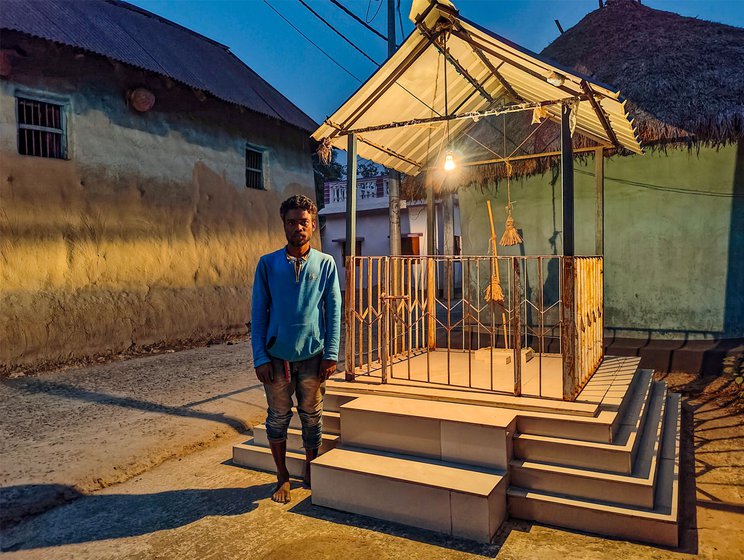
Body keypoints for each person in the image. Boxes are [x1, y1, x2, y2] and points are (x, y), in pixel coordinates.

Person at [251, 194, 341, 504]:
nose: (298, 227)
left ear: (313, 225)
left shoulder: (325, 263)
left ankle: (310, 467)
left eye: (303, 222)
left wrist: (331, 353)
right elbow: (258, 313)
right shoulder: (268, 264)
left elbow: (333, 310)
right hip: (276, 360)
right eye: (292, 222)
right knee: (277, 418)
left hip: (313, 359)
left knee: (312, 416)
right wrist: (260, 356)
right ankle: (283, 476)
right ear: (284, 225)